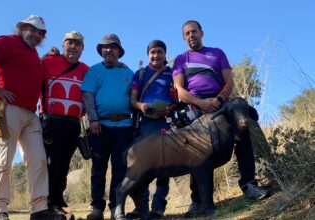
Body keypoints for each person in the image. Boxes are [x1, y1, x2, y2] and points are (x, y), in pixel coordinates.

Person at [172, 20, 269, 217]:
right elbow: (180, 91)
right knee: (196, 152)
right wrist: (201, 103)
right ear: (184, 38)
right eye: (187, 33)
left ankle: (249, 185)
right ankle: (197, 200)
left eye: (194, 31)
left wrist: (218, 100)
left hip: (221, 104)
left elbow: (229, 81)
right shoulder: (181, 59)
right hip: (195, 107)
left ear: (202, 33)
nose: (191, 35)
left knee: (242, 132)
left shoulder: (217, 53)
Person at [0, 15, 64, 220]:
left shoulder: (33, 54)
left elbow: (31, 72)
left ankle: (39, 209)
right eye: (33, 29)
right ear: (22, 28)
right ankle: (0, 210)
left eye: (41, 33)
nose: (37, 35)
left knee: (38, 160)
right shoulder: (8, 42)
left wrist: (46, 56)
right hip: (9, 109)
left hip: (31, 115)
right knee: (4, 159)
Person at [81, 34, 134, 220]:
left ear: (119, 51)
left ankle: (116, 207)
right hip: (100, 125)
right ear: (101, 51)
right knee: (98, 168)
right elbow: (88, 96)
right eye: (105, 47)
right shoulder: (94, 71)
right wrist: (93, 120)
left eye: (113, 47)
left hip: (125, 125)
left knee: (120, 168)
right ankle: (96, 208)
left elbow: (134, 98)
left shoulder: (129, 73)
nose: (109, 50)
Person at [41, 31, 89, 220]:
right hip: (51, 122)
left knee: (63, 165)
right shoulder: (48, 62)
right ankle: (46, 203)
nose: (73, 46)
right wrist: (44, 56)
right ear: (63, 45)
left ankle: (58, 200)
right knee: (49, 164)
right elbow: (31, 73)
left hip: (72, 123)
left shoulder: (86, 69)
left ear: (82, 49)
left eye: (77, 44)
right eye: (69, 42)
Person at [126, 40, 175, 219]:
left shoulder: (173, 73)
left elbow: (179, 97)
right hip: (145, 125)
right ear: (148, 54)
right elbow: (132, 101)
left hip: (168, 124)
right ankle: (142, 208)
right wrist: (142, 106)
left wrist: (171, 108)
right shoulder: (139, 74)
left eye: (160, 52)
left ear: (165, 53)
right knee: (144, 166)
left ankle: (158, 208)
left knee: (165, 166)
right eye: (153, 52)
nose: (156, 55)